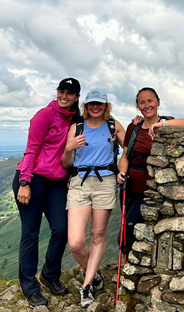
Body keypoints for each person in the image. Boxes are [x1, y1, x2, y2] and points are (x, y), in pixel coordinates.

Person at [12, 77, 82, 308]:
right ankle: (30, 287)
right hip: (33, 179)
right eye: (61, 91)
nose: (64, 96)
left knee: (61, 229)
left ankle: (49, 276)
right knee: (30, 233)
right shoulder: (44, 115)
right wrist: (25, 181)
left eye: (69, 93)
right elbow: (31, 150)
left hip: (56, 183)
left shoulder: (75, 120)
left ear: (76, 97)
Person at [62, 88, 126, 309]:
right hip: (79, 181)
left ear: (106, 105)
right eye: (92, 104)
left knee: (97, 235)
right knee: (75, 242)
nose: (95, 107)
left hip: (105, 181)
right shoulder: (77, 128)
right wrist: (69, 147)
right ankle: (95, 273)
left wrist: (123, 170)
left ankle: (87, 285)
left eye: (99, 103)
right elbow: (66, 162)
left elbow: (129, 148)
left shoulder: (113, 125)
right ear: (86, 106)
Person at [116, 87, 184, 253]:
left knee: (127, 233)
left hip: (152, 191)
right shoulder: (133, 128)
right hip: (130, 188)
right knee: (127, 234)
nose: (147, 105)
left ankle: (134, 265)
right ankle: (132, 265)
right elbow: (125, 156)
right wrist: (122, 172)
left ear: (158, 102)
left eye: (150, 101)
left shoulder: (166, 125)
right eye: (142, 102)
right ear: (138, 106)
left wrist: (160, 125)